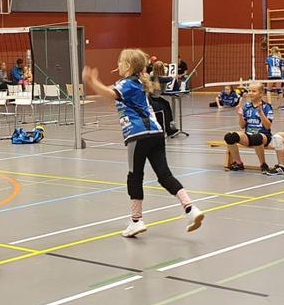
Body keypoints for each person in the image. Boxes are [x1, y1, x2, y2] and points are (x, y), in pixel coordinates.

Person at [82, 50, 204, 238]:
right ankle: (191, 208)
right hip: (157, 134)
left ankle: (136, 221)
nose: (118, 65)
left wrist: (91, 81)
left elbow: (109, 93)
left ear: (128, 65)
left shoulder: (126, 83)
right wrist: (97, 85)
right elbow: (111, 93)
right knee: (164, 175)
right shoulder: (138, 82)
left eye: (120, 62)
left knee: (134, 176)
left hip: (138, 135)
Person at [223, 81, 274, 172]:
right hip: (248, 135)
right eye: (249, 91)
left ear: (261, 93)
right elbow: (242, 126)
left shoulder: (267, 107)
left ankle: (263, 164)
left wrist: (261, 113)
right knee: (229, 137)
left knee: (256, 138)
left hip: (263, 136)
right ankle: (238, 163)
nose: (250, 93)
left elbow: (267, 126)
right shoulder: (246, 106)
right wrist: (240, 115)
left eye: (254, 91)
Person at [148, 61, 178, 138]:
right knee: (164, 109)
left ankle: (169, 126)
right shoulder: (153, 76)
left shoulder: (160, 75)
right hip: (151, 98)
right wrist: (172, 75)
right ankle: (167, 129)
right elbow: (169, 78)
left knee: (167, 104)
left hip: (156, 97)